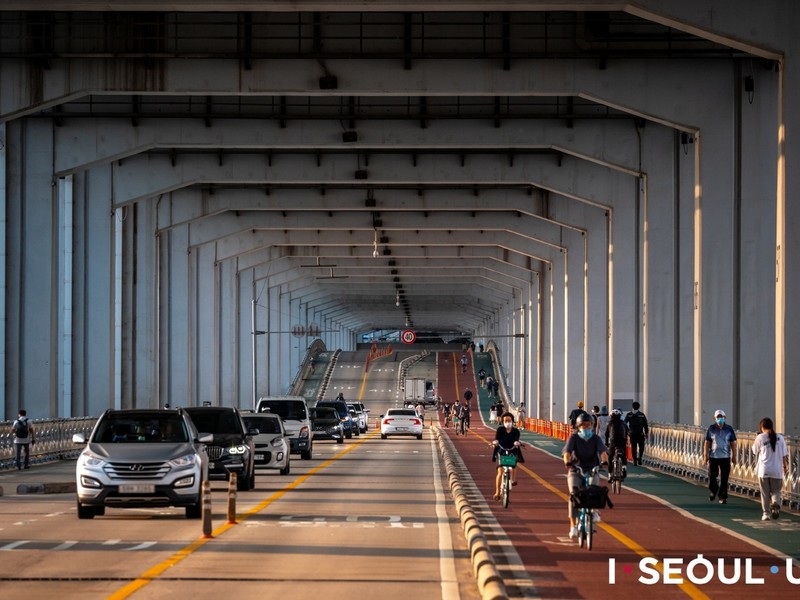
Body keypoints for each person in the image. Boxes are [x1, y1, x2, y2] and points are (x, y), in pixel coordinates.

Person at [563, 413, 608, 538]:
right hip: (575, 470)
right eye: (584, 425)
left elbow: (603, 452)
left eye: (589, 425)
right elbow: (567, 452)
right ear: (578, 426)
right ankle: (573, 526)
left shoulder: (596, 438)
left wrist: (604, 461)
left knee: (594, 488)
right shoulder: (574, 438)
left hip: (592, 469)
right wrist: (567, 462)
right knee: (573, 494)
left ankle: (594, 511)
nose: (587, 428)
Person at [752, 417, 789, 520]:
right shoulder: (780, 438)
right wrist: (785, 466)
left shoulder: (760, 437)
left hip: (764, 469)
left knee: (765, 493)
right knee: (776, 491)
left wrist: (757, 437)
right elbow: (784, 455)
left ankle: (766, 513)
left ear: (762, 427)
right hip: (777, 469)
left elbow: (754, 451)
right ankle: (775, 502)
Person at [704, 409, 737, 504]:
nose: (720, 419)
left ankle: (722, 497)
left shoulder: (729, 429)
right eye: (718, 417)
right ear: (714, 418)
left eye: (721, 417)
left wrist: (734, 456)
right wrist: (705, 455)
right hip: (713, 456)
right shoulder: (711, 429)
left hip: (725, 457)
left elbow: (733, 443)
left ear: (725, 418)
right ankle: (713, 490)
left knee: (724, 478)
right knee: (712, 476)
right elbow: (707, 442)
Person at [492, 412, 524, 500]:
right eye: (505, 421)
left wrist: (517, 443)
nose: (507, 422)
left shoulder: (516, 431)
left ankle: (513, 480)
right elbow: (497, 438)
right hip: (501, 450)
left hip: (512, 450)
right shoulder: (500, 430)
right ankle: (497, 492)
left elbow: (516, 439)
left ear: (512, 421)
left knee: (513, 466)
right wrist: (496, 442)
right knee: (500, 471)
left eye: (509, 420)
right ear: (503, 421)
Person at [604, 409, 628, 479]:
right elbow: (627, 432)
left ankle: (609, 475)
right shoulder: (623, 423)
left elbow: (606, 435)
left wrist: (606, 443)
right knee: (624, 455)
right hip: (622, 440)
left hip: (613, 440)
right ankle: (624, 467)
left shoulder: (610, 423)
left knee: (610, 456)